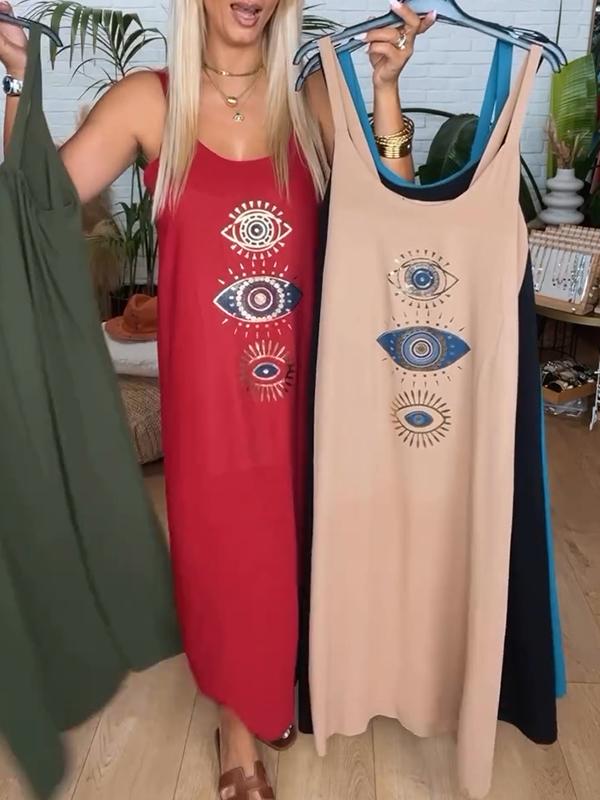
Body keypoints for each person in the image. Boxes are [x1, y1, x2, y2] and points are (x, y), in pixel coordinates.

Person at [0, 0, 433, 796]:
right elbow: (35, 208)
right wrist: (19, 79)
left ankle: (279, 681)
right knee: (230, 552)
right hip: (207, 400)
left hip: (309, 391)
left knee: (296, 544)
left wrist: (384, 90)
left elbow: (397, 214)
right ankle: (240, 724)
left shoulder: (313, 98)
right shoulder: (151, 101)